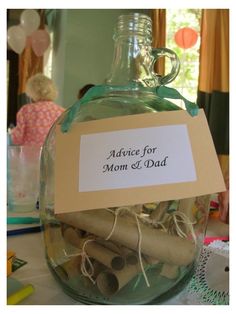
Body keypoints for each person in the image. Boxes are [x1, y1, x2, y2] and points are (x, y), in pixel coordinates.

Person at [11, 73, 65, 146]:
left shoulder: (26, 110)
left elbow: (17, 139)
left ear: (31, 91)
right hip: (52, 154)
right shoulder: (61, 111)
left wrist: (11, 133)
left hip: (30, 154)